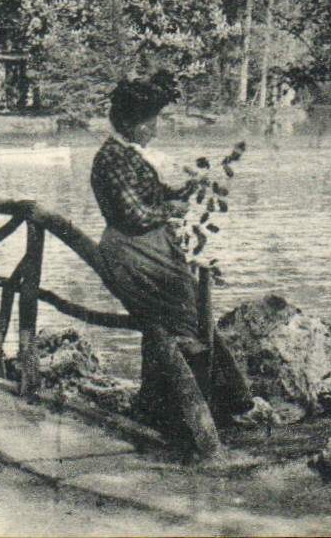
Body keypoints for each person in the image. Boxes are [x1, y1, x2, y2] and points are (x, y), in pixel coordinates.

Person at [89, 72, 256, 431]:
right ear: (130, 123)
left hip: (151, 247)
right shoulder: (112, 159)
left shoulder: (128, 154)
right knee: (183, 320)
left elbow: (150, 198)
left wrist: (186, 190)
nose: (154, 130)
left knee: (190, 316)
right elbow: (133, 215)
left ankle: (184, 407)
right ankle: (194, 414)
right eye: (150, 122)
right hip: (130, 250)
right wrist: (172, 210)